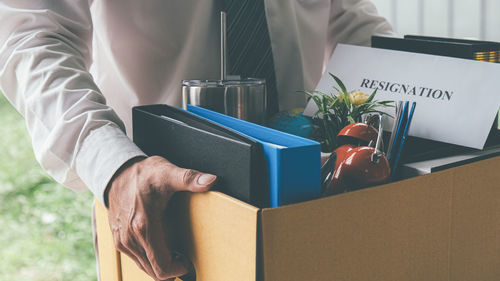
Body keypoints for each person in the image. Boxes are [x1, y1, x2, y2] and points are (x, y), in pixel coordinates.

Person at [0, 0, 393, 280]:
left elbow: (348, 19)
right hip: (164, 211)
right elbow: (33, 36)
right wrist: (112, 164)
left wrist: (434, 89)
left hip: (308, 202)